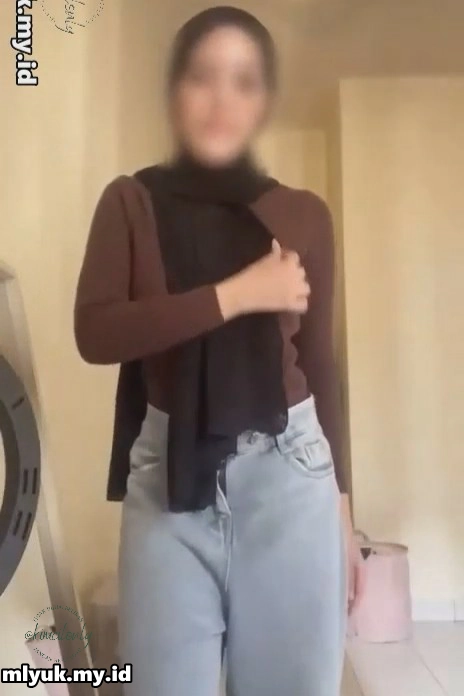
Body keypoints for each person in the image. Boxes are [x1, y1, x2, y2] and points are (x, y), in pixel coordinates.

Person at [74, 6, 363, 696]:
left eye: (244, 81)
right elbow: (97, 332)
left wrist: (345, 514)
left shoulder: (304, 214)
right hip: (168, 482)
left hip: (292, 476)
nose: (222, 99)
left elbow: (320, 366)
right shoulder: (129, 201)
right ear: (174, 90)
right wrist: (238, 294)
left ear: (263, 101)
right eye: (202, 77)